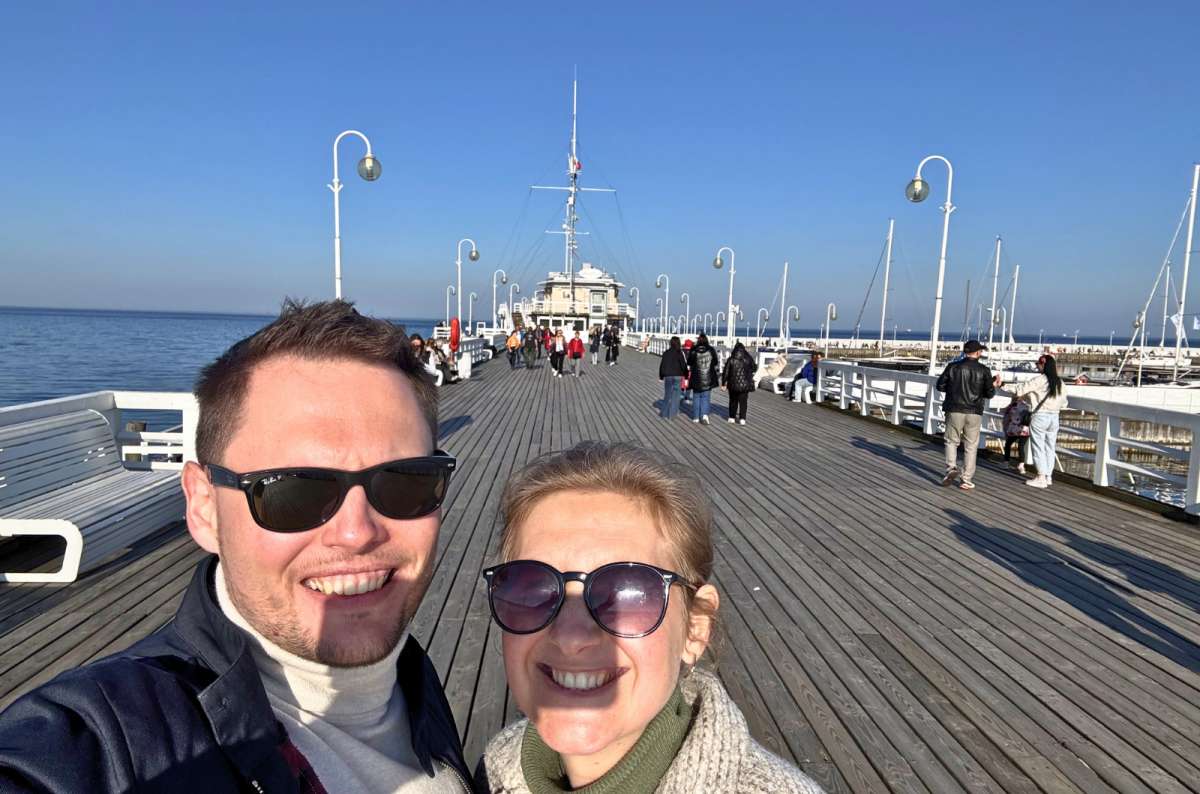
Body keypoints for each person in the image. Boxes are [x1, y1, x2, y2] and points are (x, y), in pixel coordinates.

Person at [0, 300, 473, 791]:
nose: (357, 533)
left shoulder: (408, 673)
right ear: (205, 508)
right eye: (293, 490)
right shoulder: (110, 739)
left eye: (404, 482)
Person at [475, 442, 824, 793]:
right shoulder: (497, 768)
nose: (570, 636)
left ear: (695, 628)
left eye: (628, 593)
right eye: (532, 587)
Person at [935, 340, 1000, 491]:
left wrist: (954, 388)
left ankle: (951, 468)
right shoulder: (984, 370)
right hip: (974, 411)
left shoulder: (953, 367)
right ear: (977, 353)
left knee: (951, 440)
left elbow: (940, 385)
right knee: (971, 445)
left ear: (965, 352)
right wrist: (994, 384)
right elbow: (989, 394)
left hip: (954, 409)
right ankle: (966, 479)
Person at [1013, 354, 1068, 488]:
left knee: (1038, 446)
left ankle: (1040, 477)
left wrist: (1001, 385)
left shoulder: (1039, 380)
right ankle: (1048, 476)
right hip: (1054, 417)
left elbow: (1019, 390)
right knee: (1050, 446)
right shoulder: (1060, 382)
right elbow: (1064, 403)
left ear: (1044, 365)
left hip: (1040, 416)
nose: (1037, 366)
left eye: (1039, 364)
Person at [686, 333, 719, 425]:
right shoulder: (711, 350)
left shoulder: (694, 350)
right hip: (708, 377)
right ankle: (704, 414)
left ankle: (696, 417)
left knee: (696, 397)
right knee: (706, 397)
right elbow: (715, 362)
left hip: (696, 377)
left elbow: (689, 362)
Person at [721, 341, 757, 425]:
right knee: (743, 402)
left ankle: (732, 417)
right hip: (745, 384)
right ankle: (742, 419)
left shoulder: (731, 359)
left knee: (733, 401)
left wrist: (723, 383)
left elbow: (726, 372)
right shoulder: (748, 358)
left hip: (732, 384)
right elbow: (754, 368)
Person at [658, 335, 689, 419]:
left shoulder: (666, 353)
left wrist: (661, 376)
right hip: (678, 376)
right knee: (676, 396)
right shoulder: (679, 353)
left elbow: (662, 365)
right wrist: (686, 376)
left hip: (668, 376)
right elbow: (683, 365)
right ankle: (672, 414)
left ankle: (664, 413)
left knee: (667, 394)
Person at [1002, 395, 1031, 475]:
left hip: (1014, 428)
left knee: (1008, 444)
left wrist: (1005, 429)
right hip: (1025, 429)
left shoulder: (1012, 406)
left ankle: (1006, 462)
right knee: (1021, 446)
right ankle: (1021, 465)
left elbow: (1006, 419)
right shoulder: (1028, 406)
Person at [681, 338, 695, 406]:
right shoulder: (693, 352)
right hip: (690, 371)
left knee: (682, 384)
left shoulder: (681, 352)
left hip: (682, 371)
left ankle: (681, 396)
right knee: (688, 385)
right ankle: (686, 398)